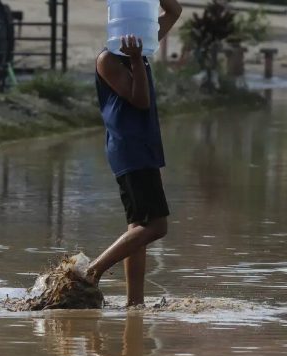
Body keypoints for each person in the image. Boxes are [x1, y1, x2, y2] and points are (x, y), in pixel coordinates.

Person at [76, 0, 182, 307]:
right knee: (156, 226)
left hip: (142, 147)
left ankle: (135, 303)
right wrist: (136, 60)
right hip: (130, 149)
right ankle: (92, 272)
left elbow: (174, 12)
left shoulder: (143, 48)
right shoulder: (109, 59)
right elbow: (140, 101)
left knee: (138, 228)